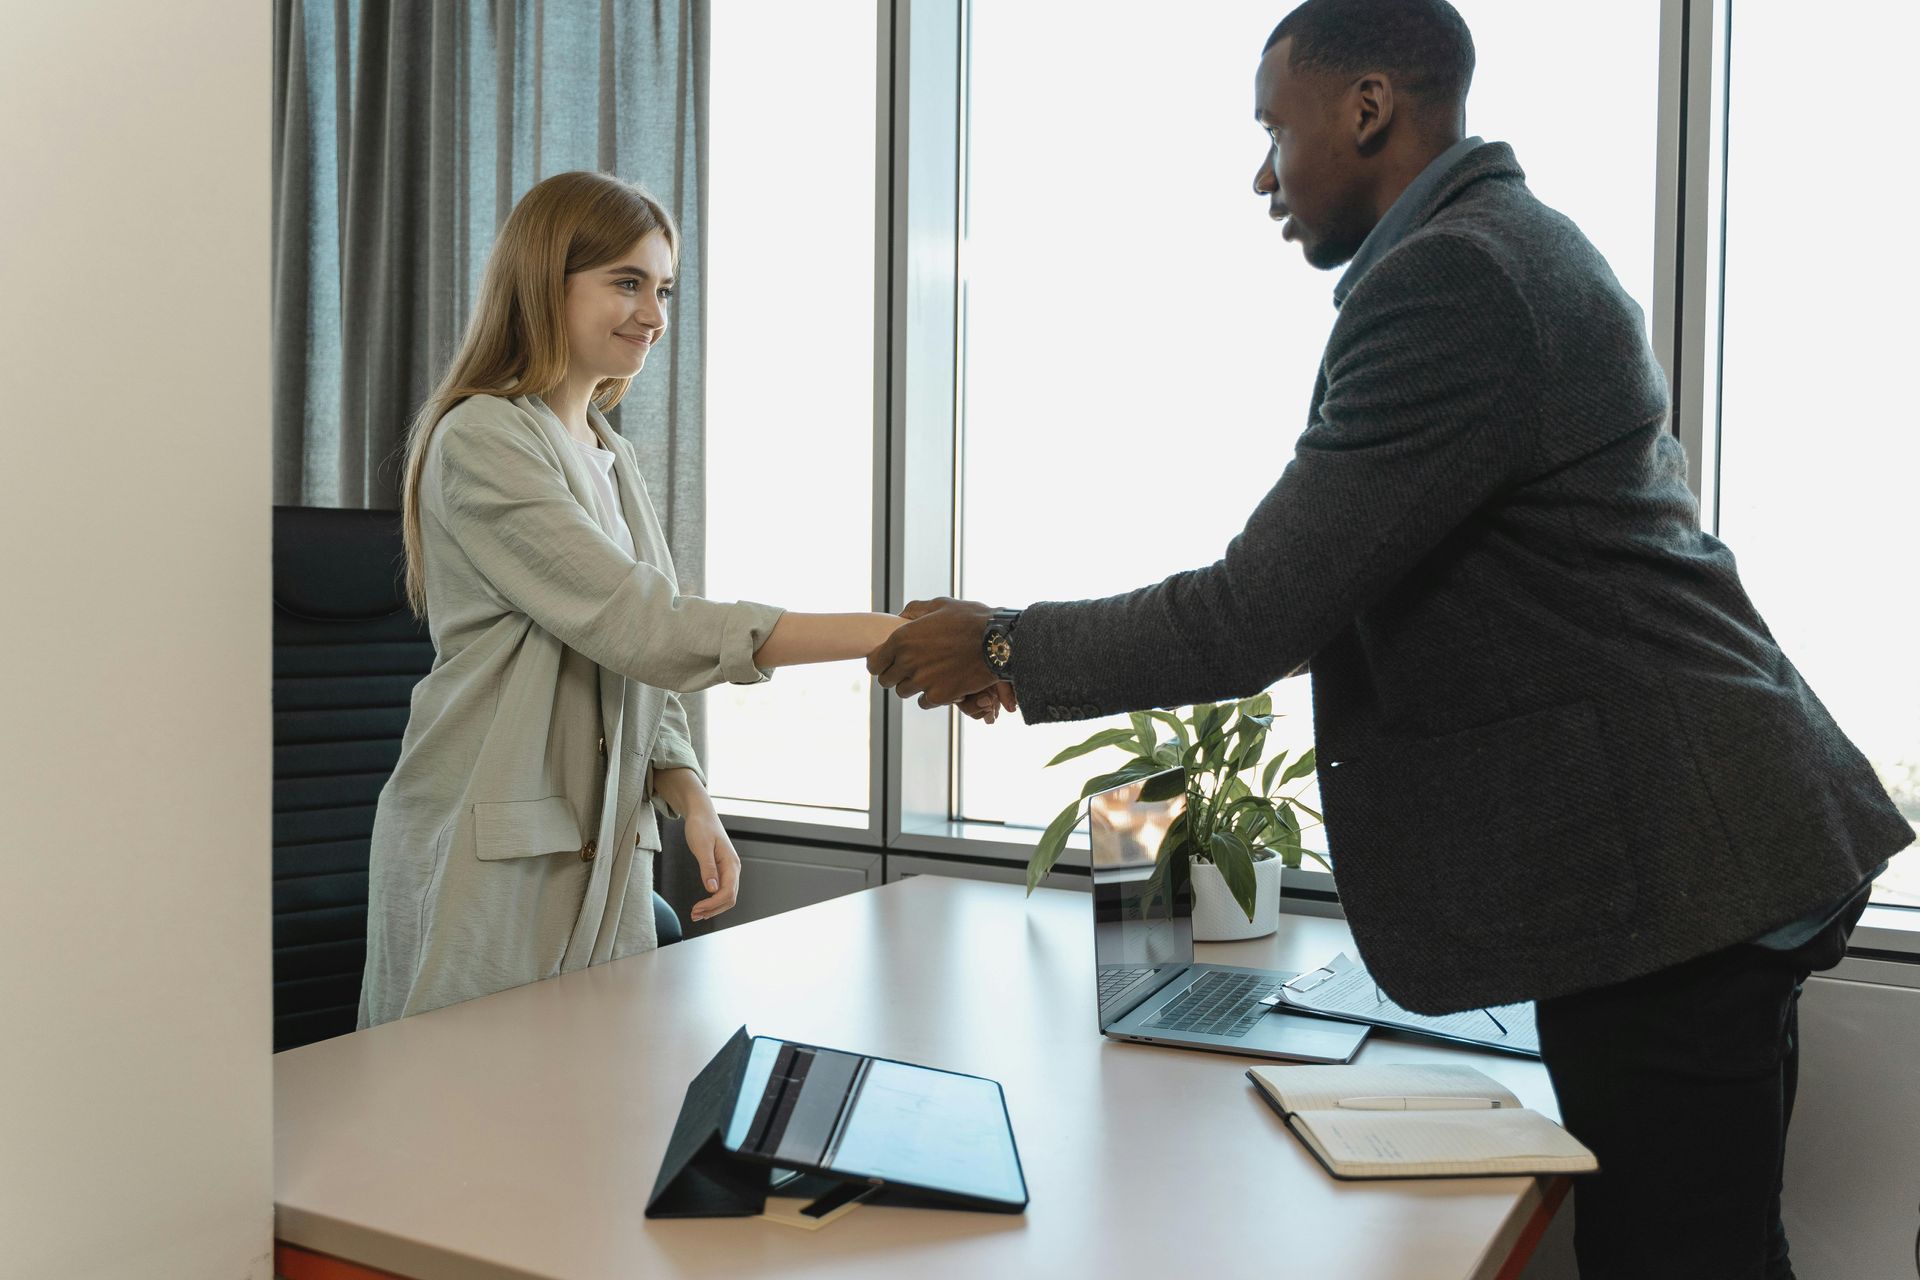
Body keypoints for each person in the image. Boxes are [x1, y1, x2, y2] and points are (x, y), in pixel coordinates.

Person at [866, 3, 1913, 1277]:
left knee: (1679, 1257)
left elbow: (1262, 606)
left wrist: (1008, 647)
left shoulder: (1456, 280)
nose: (1264, 176)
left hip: (1683, 867)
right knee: (1711, 1246)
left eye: (1275, 131)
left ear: (1366, 108)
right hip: (1708, 842)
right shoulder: (1506, 248)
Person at [359, 171, 905, 1028]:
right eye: (626, 282)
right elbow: (647, 627)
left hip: (607, 851)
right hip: (487, 848)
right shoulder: (483, 437)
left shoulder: (611, 455)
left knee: (589, 1114)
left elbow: (631, 657)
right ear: (545, 280)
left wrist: (689, 793)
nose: (653, 314)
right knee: (458, 1122)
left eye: (663, 289)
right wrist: (888, 635)